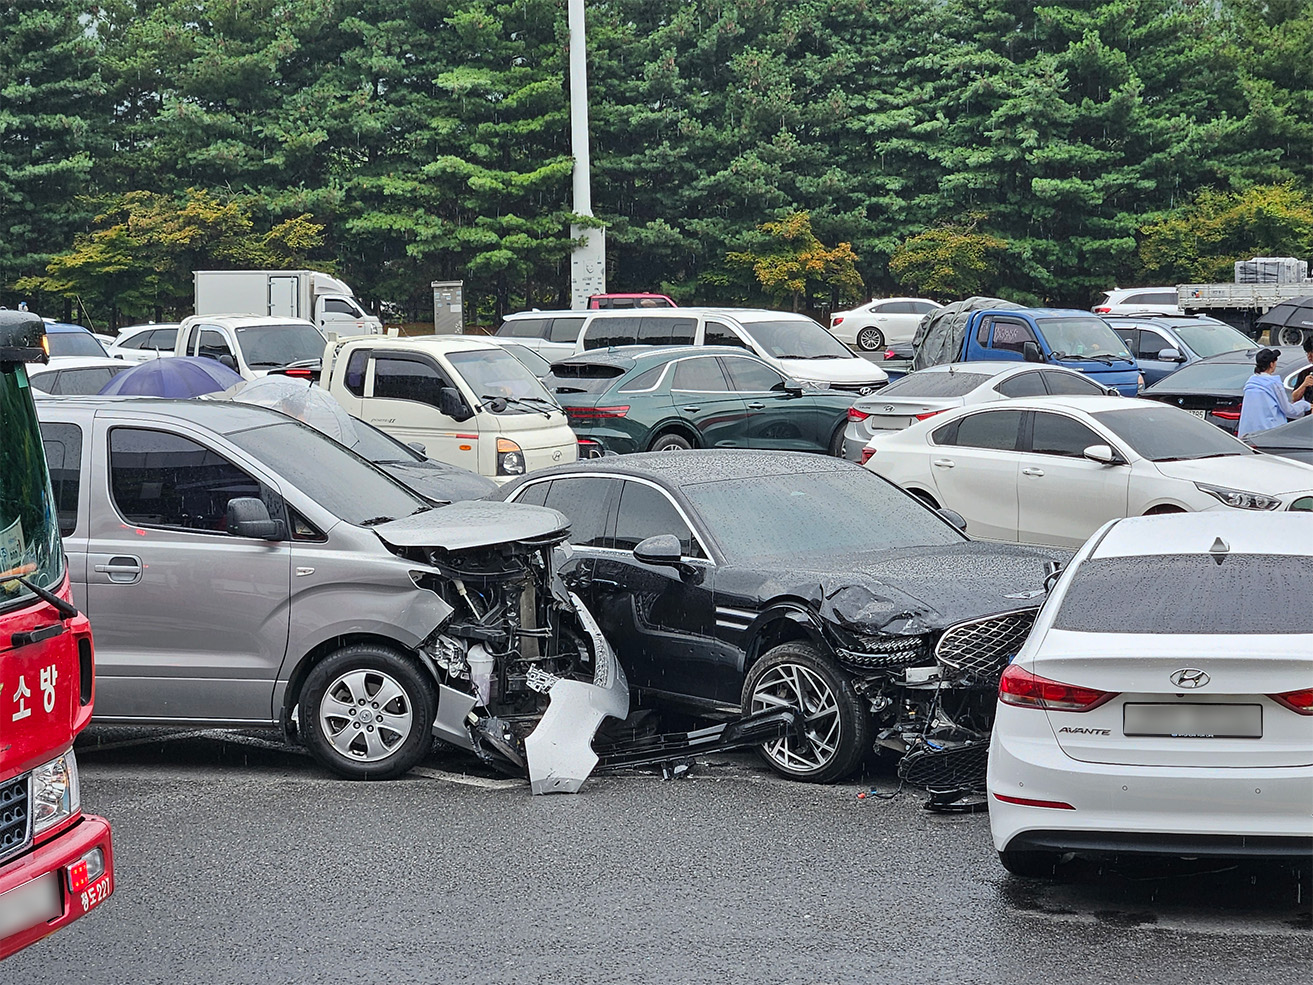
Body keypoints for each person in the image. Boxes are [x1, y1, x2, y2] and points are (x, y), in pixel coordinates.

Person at [1237, 347, 1310, 437]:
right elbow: (1288, 410)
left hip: (1247, 436)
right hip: (1269, 435)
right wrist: (1305, 405)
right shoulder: (1274, 384)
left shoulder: (1250, 383)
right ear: (1271, 364)